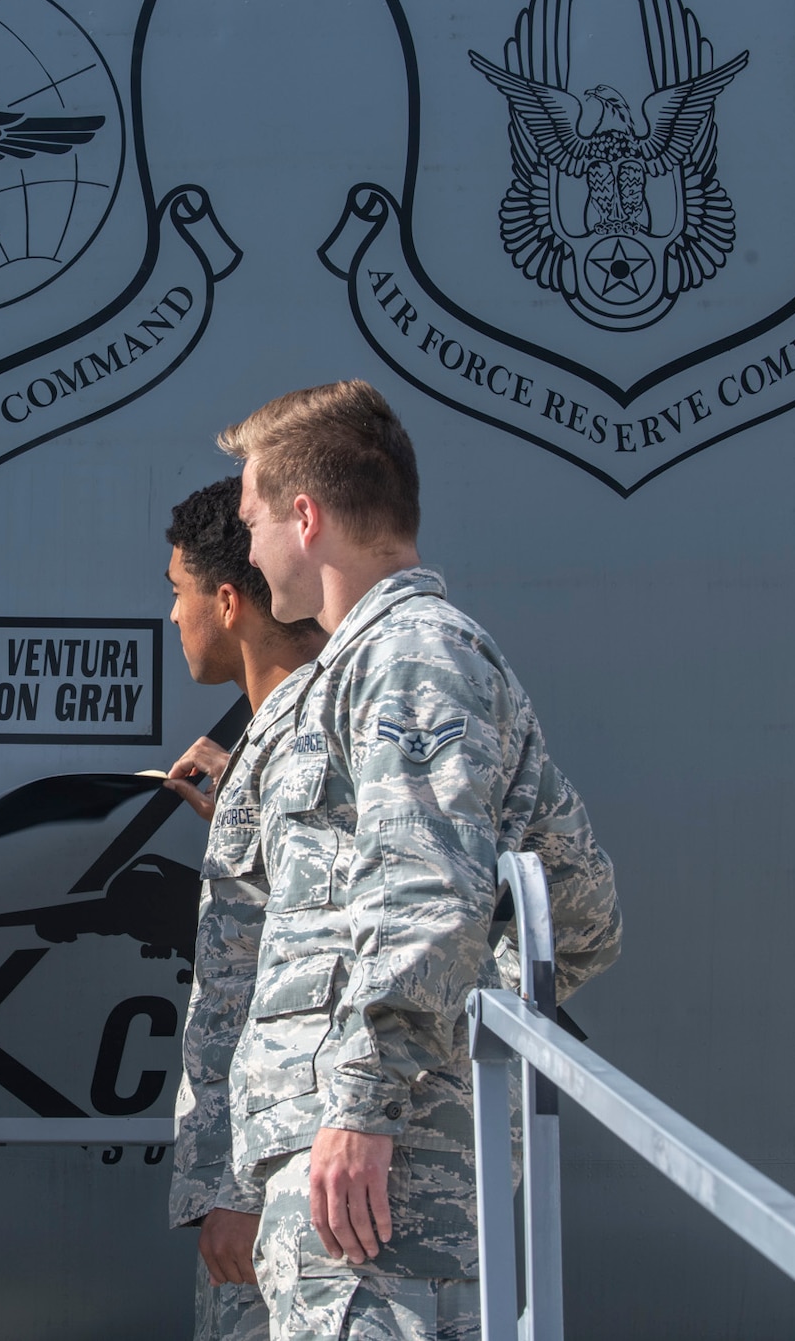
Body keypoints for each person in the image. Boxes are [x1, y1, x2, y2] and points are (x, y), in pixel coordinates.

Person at [218, 383, 622, 1341]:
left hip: (382, 1174)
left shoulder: (410, 656)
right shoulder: (366, 668)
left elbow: (429, 892)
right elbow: (582, 908)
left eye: (254, 520)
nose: (250, 547)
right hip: (365, 1165)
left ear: (305, 517)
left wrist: (365, 1099)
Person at [160, 479, 328, 1341]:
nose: (174, 617)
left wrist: (243, 1186)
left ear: (227, 602)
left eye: (177, 591)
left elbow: (309, 992)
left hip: (287, 1195)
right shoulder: (279, 747)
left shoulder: (312, 748)